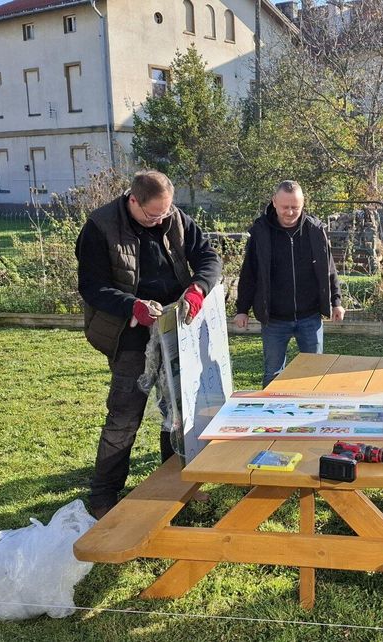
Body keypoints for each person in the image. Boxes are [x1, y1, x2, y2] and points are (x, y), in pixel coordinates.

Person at [76, 170, 222, 520]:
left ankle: (176, 483)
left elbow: (209, 258)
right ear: (133, 200)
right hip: (129, 335)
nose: (160, 220)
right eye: (153, 215)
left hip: (176, 329)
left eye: (166, 212)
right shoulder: (99, 227)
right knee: (124, 416)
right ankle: (104, 495)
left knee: (178, 414)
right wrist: (132, 306)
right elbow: (91, 286)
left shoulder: (176, 218)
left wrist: (198, 288)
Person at [233, 180, 344, 387]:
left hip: (310, 317)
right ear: (274, 202)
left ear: (303, 204)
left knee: (314, 374)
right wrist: (242, 310)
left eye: (295, 207)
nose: (290, 212)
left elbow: (329, 268)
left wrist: (336, 301)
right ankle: (273, 410)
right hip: (274, 319)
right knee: (273, 374)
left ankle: (310, 408)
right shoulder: (260, 232)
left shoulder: (315, 230)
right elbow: (249, 273)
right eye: (285, 207)